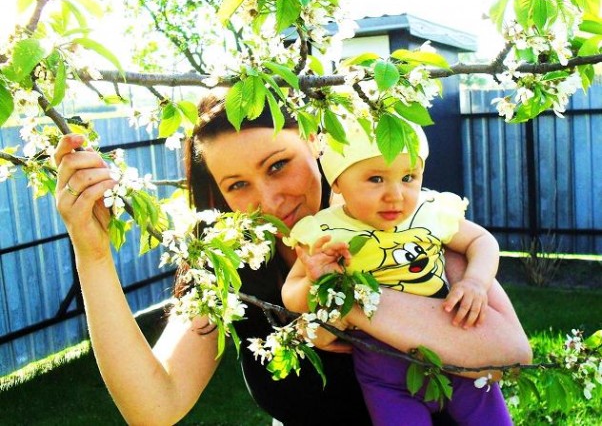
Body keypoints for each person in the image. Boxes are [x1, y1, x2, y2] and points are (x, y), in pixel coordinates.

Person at [52, 94, 531, 425]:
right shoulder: (229, 262)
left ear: (318, 145)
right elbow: (155, 407)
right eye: (238, 185)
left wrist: (341, 301)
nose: (269, 200)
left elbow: (507, 350)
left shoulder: (396, 215)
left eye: (278, 165)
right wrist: (91, 254)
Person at [282, 119, 513, 425]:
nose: (395, 195)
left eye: (408, 177)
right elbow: (290, 294)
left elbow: (482, 241)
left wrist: (475, 282)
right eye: (375, 179)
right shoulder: (326, 231)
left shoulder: (429, 213)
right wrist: (313, 280)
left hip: (454, 351)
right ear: (337, 182)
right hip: (385, 373)